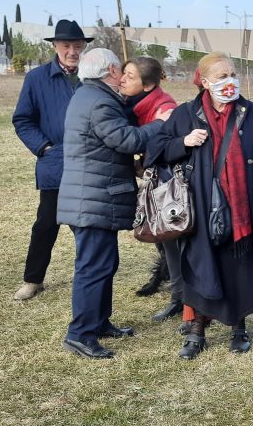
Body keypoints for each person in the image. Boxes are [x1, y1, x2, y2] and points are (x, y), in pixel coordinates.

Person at [146, 52, 253, 360]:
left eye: (232, 74)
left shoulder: (252, 114)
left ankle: (239, 326)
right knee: (200, 265)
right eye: (221, 76)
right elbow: (155, 150)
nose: (229, 81)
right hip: (200, 207)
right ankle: (197, 330)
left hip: (242, 209)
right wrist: (183, 142)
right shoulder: (186, 114)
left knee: (240, 267)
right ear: (205, 82)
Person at [56, 48, 171, 360]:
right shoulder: (99, 101)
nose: (123, 75)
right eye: (121, 69)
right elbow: (127, 140)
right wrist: (160, 123)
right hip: (91, 199)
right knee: (93, 267)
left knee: (105, 264)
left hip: (92, 197)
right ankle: (80, 334)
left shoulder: (90, 96)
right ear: (110, 70)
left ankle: (99, 322)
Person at [11, 19, 92, 301]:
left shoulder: (92, 77)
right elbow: (23, 120)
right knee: (46, 223)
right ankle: (33, 280)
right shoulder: (37, 78)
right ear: (56, 46)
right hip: (56, 165)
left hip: (89, 164)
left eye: (77, 46)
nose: (72, 51)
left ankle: (90, 278)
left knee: (86, 226)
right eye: (66, 45)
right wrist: (45, 148)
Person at [119, 56, 180, 305]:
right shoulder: (133, 105)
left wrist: (145, 162)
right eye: (123, 73)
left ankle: (179, 293)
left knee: (170, 234)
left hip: (167, 184)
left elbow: (168, 149)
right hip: (150, 178)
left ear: (148, 85)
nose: (122, 79)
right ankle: (165, 276)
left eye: (130, 76)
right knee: (159, 235)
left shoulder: (165, 108)